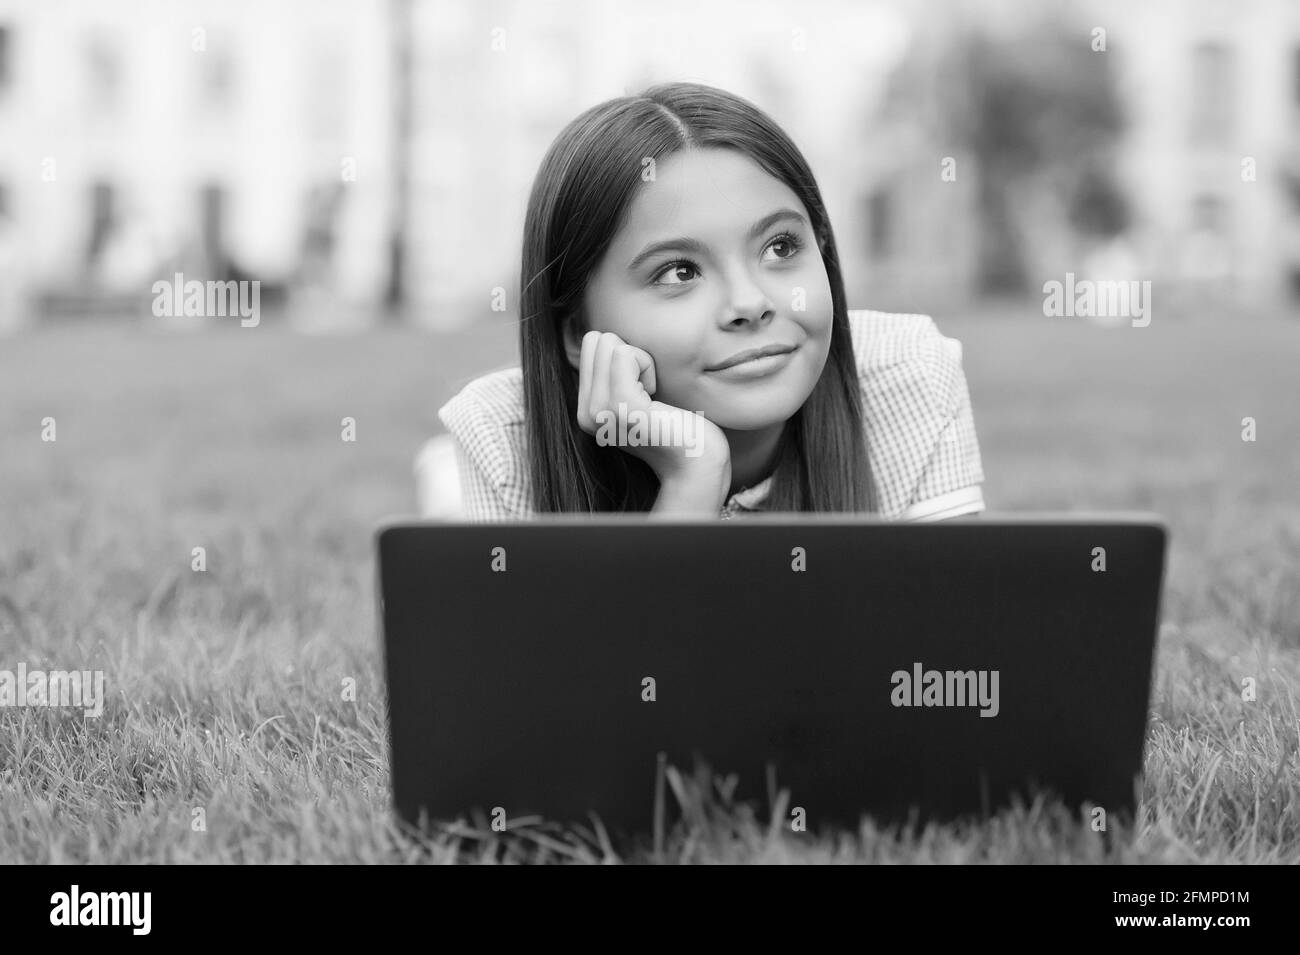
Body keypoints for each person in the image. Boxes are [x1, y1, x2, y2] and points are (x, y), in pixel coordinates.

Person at [427, 81, 985, 522]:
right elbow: (620, 671)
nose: (750, 302)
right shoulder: (504, 440)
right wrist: (692, 482)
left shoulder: (906, 376)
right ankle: (441, 485)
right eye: (680, 271)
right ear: (577, 332)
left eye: (781, 246)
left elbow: (951, 642)